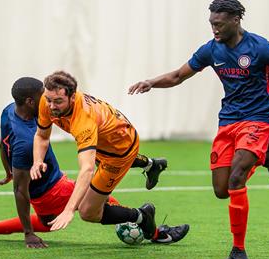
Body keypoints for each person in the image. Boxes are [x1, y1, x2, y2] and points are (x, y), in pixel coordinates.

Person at [128, 0, 269, 259]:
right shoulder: (211, 50)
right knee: (222, 190)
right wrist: (151, 82)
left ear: (236, 20)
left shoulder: (261, 48)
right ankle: (264, 155)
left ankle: (238, 251)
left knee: (236, 179)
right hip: (228, 123)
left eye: (219, 24)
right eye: (211, 23)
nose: (214, 29)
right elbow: (178, 76)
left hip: (258, 120)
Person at [0, 77, 189, 248]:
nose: (49, 105)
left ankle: (153, 228)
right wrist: (28, 233)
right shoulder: (27, 141)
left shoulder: (9, 111)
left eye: (55, 100)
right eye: (44, 100)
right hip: (52, 188)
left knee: (90, 206)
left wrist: (10, 171)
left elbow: (3, 143)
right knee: (74, 213)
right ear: (30, 102)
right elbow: (20, 190)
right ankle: (143, 215)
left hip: (113, 152)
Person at [30, 71, 168, 242]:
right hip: (106, 140)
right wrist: (37, 160)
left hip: (119, 151)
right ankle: (151, 165)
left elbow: (87, 170)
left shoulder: (84, 122)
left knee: (88, 211)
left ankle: (143, 216)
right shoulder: (47, 100)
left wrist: (69, 209)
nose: (51, 106)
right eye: (49, 100)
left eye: (58, 101)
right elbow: (41, 136)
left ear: (73, 97)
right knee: (97, 156)